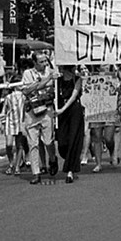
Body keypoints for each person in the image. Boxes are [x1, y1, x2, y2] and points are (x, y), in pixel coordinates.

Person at [21, 51, 58, 184]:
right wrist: (46, 81)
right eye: (41, 62)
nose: (44, 64)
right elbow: (26, 90)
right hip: (32, 111)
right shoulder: (27, 74)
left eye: (45, 61)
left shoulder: (52, 71)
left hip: (47, 110)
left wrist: (40, 84)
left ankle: (52, 159)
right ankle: (36, 172)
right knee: (33, 143)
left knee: (48, 141)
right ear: (35, 63)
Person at [55, 63, 85, 184]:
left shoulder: (77, 80)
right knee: (62, 142)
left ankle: (70, 171)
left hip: (74, 111)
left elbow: (74, 96)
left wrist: (62, 109)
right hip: (62, 112)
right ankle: (70, 159)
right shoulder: (57, 81)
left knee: (73, 139)